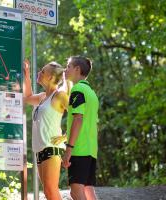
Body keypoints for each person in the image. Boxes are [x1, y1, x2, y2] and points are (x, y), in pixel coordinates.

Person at [23, 60, 69, 200]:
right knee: (48, 192)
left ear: (50, 77)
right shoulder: (43, 97)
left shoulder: (60, 95)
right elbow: (28, 98)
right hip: (39, 149)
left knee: (50, 190)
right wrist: (27, 75)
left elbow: (79, 116)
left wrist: (66, 136)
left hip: (51, 147)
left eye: (42, 71)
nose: (39, 73)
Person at [62, 56, 99, 200]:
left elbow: (78, 119)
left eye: (68, 66)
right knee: (88, 191)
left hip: (79, 149)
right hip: (91, 150)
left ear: (77, 69)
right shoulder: (92, 93)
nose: (66, 69)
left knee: (76, 192)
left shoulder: (77, 90)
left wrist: (69, 149)